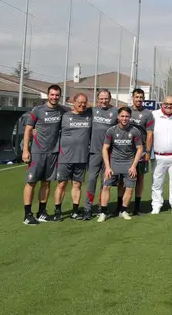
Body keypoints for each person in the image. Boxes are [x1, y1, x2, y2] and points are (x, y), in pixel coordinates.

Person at [22, 84, 67, 225]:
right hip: (37, 152)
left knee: (46, 183)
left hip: (53, 152)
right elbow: (28, 130)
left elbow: (77, 109)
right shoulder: (38, 110)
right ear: (48, 95)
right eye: (52, 94)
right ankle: (27, 215)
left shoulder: (62, 111)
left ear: (60, 96)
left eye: (57, 95)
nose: (54, 97)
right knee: (31, 182)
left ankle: (41, 212)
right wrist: (25, 150)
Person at [50, 93, 91, 221]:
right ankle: (57, 212)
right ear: (73, 102)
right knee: (62, 184)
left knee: (77, 185)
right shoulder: (64, 116)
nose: (82, 105)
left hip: (81, 157)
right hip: (65, 157)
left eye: (84, 102)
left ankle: (75, 211)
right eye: (79, 102)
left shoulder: (89, 116)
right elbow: (49, 128)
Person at [99, 107, 144, 222]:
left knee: (129, 188)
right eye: (122, 116)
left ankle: (123, 211)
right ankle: (103, 213)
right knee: (106, 187)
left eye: (127, 116)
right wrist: (108, 167)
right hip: (114, 163)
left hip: (129, 164)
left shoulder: (134, 131)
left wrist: (134, 166)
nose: (124, 118)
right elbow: (105, 148)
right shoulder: (111, 131)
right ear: (118, 117)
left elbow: (140, 148)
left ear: (130, 117)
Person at [84, 89, 117, 220]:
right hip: (94, 152)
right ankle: (87, 208)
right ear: (98, 99)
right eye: (101, 99)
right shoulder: (92, 111)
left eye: (106, 98)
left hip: (109, 154)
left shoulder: (115, 112)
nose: (104, 101)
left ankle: (101, 207)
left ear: (110, 99)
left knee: (105, 182)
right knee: (91, 180)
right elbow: (74, 112)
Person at [125, 88, 154, 216]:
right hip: (125, 150)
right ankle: (123, 206)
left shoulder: (148, 114)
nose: (139, 99)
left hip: (141, 151)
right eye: (137, 97)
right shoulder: (126, 111)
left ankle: (137, 207)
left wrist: (147, 151)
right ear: (133, 98)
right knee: (124, 178)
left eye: (141, 97)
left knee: (140, 178)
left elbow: (149, 134)